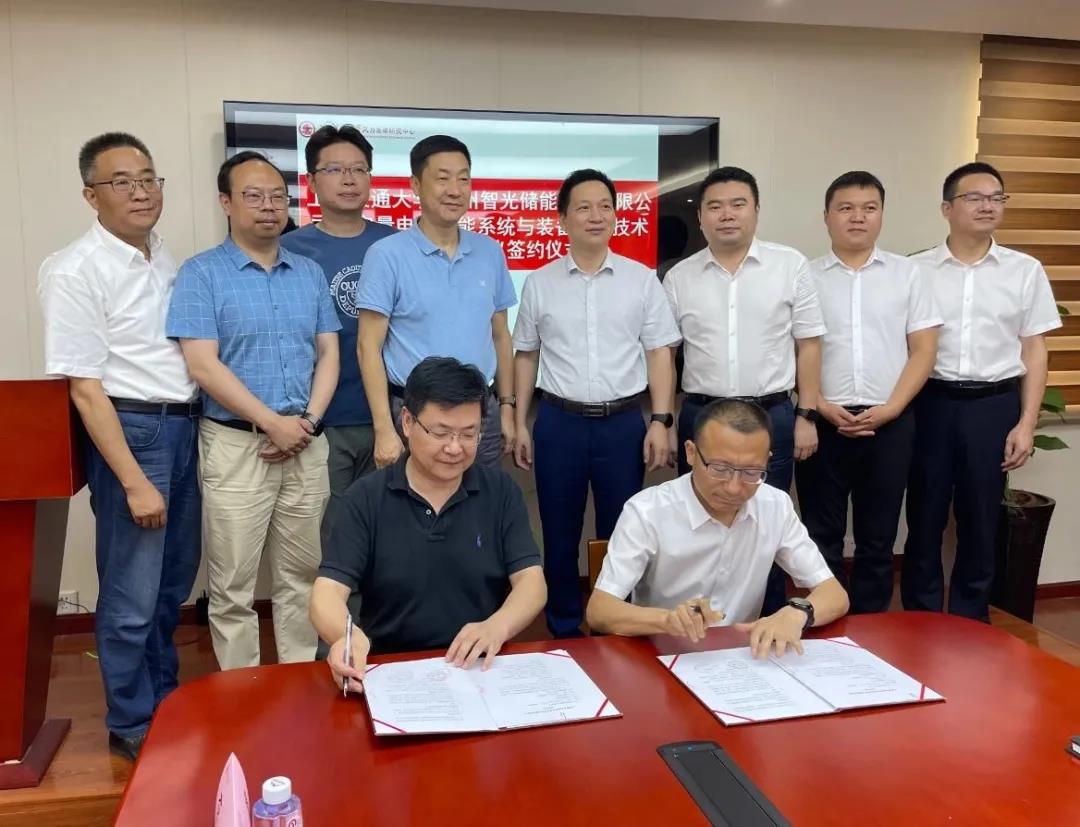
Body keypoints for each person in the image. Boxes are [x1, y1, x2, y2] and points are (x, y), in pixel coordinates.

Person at [38, 132, 201, 761]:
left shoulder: (161, 254)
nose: (141, 192)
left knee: (170, 585)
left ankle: (165, 702)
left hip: (183, 426)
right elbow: (84, 388)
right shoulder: (75, 269)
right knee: (132, 594)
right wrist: (134, 480)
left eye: (149, 178)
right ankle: (131, 720)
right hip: (133, 431)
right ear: (91, 196)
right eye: (122, 182)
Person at [167, 151, 341, 669]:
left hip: (306, 441)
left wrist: (307, 422)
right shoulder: (201, 274)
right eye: (254, 196)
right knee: (233, 585)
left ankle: (299, 682)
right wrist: (271, 423)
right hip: (236, 445)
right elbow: (203, 365)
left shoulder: (308, 272)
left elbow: (329, 353)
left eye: (277, 197)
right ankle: (240, 692)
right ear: (226, 202)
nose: (269, 206)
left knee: (302, 577)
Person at [512, 168, 680, 638]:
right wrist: (520, 421)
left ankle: (614, 625)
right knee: (558, 531)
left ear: (616, 216)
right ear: (562, 218)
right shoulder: (540, 282)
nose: (596, 216)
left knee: (622, 532)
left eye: (605, 206)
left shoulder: (641, 280)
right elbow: (526, 355)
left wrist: (661, 420)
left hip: (622, 424)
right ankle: (564, 627)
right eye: (583, 207)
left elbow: (659, 353)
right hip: (558, 422)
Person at [309, 357, 546, 689]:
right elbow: (327, 592)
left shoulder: (500, 492)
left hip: (478, 670)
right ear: (407, 422)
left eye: (469, 434)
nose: (455, 447)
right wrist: (347, 638)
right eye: (441, 432)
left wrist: (497, 626)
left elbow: (532, 583)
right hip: (390, 671)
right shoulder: (366, 498)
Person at [901, 162, 1062, 621]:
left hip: (993, 406)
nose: (987, 205)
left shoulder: (1024, 271)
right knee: (924, 517)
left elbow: (1034, 349)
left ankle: (971, 623)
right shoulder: (915, 270)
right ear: (947, 208)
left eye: (996, 197)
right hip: (930, 403)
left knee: (981, 520)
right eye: (975, 197)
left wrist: (1026, 423)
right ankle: (921, 620)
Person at [663, 166, 826, 616]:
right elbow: (664, 355)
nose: (727, 214)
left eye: (738, 204)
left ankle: (765, 621)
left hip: (771, 415)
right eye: (715, 206)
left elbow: (809, 345)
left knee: (764, 525)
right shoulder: (679, 277)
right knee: (697, 523)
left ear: (756, 210)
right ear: (701, 218)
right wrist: (665, 420)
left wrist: (807, 414)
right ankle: (697, 621)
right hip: (702, 415)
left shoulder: (789, 265)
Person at [586, 399, 848, 659]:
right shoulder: (647, 511)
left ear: (767, 461)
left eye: (751, 472)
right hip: (660, 655)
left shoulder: (775, 505)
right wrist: (668, 620)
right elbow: (600, 611)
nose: (734, 488)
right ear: (691, 452)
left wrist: (797, 613)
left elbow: (835, 594)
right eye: (720, 469)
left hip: (739, 657)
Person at [794, 171, 941, 613]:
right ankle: (826, 622)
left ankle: (872, 628)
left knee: (878, 538)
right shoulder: (804, 276)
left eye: (869, 208)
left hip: (890, 423)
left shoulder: (909, 274)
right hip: (822, 422)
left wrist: (891, 408)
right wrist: (819, 405)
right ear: (826, 217)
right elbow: (792, 349)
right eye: (846, 208)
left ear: (881, 215)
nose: (857, 217)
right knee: (821, 536)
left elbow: (924, 349)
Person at [357, 134, 517, 470]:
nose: (455, 190)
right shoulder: (386, 255)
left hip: (480, 413)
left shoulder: (490, 252)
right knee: (413, 502)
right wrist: (384, 428)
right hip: (417, 413)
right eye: (442, 178)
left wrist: (506, 407)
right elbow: (368, 347)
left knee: (481, 500)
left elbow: (500, 335)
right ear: (416, 185)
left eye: (463, 179)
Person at [280, 125, 396, 548]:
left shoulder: (396, 245)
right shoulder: (289, 249)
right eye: (335, 170)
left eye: (359, 169)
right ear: (311, 181)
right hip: (320, 422)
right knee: (329, 539)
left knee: (390, 535)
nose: (349, 179)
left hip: (393, 415)